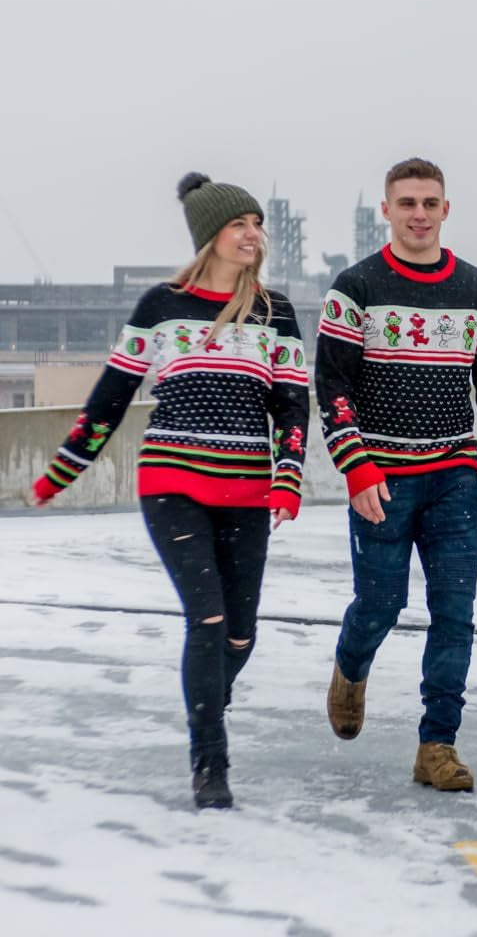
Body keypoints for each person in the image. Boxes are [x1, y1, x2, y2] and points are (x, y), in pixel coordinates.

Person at [30, 172, 310, 808]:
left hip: (248, 490)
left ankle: (208, 694)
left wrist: (288, 477)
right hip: (173, 482)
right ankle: (209, 759)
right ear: (211, 236)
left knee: (241, 635)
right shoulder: (161, 306)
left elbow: (294, 405)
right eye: (240, 224)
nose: (254, 235)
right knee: (206, 621)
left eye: (258, 224)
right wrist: (63, 470)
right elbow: (112, 395)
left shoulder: (276, 312)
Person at [315, 157, 477, 792]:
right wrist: (356, 467)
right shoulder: (356, 287)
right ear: (387, 210)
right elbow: (333, 387)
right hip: (381, 477)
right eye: (406, 203)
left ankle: (437, 745)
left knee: (455, 613)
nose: (418, 214)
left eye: (429, 203)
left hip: (454, 476)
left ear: (446, 210)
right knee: (380, 604)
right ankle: (351, 668)